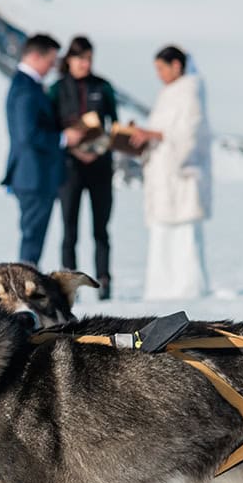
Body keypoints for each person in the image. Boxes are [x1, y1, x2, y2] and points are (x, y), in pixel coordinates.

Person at [132, 45, 213, 299]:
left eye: (161, 68)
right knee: (162, 234)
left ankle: (188, 288)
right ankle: (162, 288)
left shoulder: (191, 90)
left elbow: (189, 134)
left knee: (185, 236)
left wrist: (152, 134)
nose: (159, 75)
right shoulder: (168, 93)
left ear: (176, 65)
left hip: (181, 177)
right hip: (163, 177)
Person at [49, 35, 119, 299]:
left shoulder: (103, 87)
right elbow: (51, 125)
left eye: (89, 58)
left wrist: (105, 143)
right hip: (70, 168)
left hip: (100, 166)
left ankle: (104, 280)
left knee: (101, 229)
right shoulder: (57, 89)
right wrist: (72, 142)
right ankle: (70, 284)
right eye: (80, 58)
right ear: (69, 59)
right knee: (70, 230)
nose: (85, 64)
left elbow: (114, 124)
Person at [1, 34, 78, 265]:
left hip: (36, 175)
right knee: (32, 240)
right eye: (50, 60)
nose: (53, 67)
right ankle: (24, 290)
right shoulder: (26, 89)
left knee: (33, 238)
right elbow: (28, 135)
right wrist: (64, 138)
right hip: (34, 176)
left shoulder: (28, 85)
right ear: (36, 56)